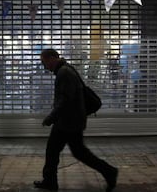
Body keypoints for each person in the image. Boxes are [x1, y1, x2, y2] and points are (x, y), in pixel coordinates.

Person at [34, 48, 118, 192]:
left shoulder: (64, 73)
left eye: (44, 62)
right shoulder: (65, 70)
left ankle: (109, 171)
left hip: (68, 121)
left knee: (55, 150)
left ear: (52, 58)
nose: (44, 66)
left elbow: (65, 100)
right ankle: (108, 172)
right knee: (76, 152)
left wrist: (51, 117)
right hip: (71, 120)